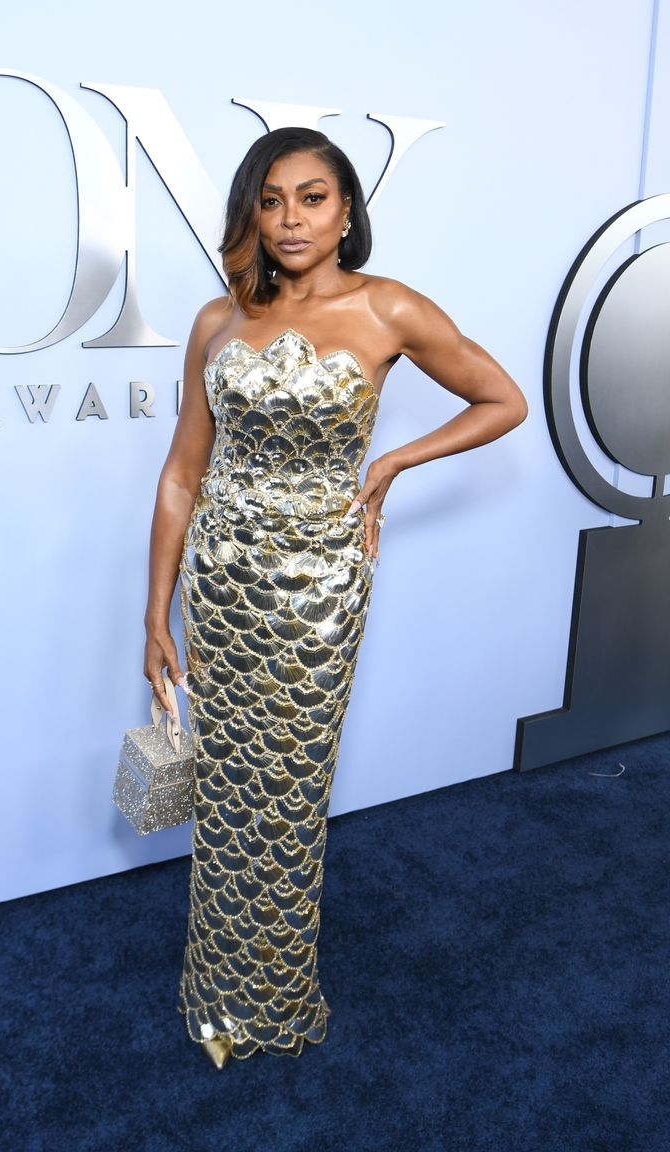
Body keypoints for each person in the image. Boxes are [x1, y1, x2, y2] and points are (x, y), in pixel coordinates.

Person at [143, 127, 527, 1069]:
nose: (290, 219)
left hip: (319, 587)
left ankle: (270, 989)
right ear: (252, 213)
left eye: (312, 198)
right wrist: (154, 609)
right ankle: (218, 986)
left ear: (346, 209)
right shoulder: (219, 319)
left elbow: (502, 398)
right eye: (271, 200)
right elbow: (182, 476)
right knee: (229, 788)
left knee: (291, 787)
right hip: (223, 583)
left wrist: (393, 459)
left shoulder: (387, 306)